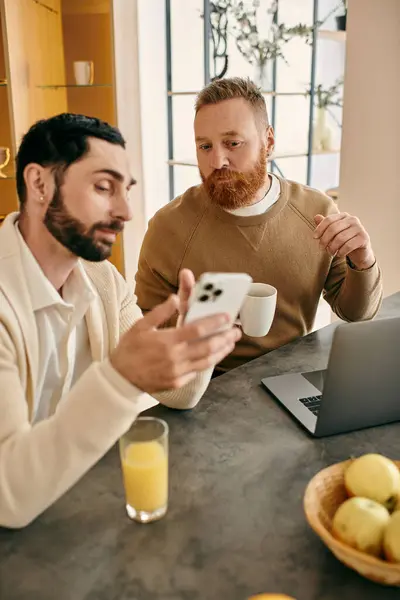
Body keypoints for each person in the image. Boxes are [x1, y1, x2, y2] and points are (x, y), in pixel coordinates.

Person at [0, 113, 241, 528]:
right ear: (39, 184)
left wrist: (193, 340)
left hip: (80, 505)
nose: (126, 211)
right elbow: (9, 496)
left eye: (125, 190)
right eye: (103, 187)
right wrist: (119, 378)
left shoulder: (101, 279)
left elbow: (178, 396)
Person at [135, 77, 383, 373]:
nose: (217, 160)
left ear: (269, 141)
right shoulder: (168, 228)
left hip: (293, 378)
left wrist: (363, 259)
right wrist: (190, 326)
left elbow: (357, 313)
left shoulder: (316, 211)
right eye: (204, 146)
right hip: (207, 389)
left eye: (233, 143)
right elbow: (145, 331)